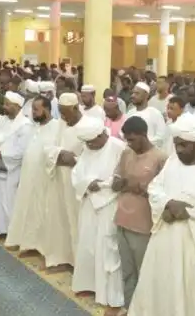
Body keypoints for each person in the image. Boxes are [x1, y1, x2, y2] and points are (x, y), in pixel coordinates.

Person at [129, 114, 195, 316]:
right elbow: (155, 188)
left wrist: (188, 212)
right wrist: (168, 204)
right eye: (176, 144)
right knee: (158, 284)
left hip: (194, 243)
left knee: (192, 293)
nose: (179, 149)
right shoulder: (173, 161)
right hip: (164, 238)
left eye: (184, 145)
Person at [70, 117, 127, 314]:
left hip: (110, 204)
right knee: (87, 244)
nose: (90, 146)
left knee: (108, 249)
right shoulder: (88, 148)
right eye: (87, 143)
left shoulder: (118, 147)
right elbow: (77, 173)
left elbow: (120, 179)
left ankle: (111, 296)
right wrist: (88, 184)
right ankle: (89, 284)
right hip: (88, 202)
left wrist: (100, 185)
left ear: (102, 134)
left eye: (92, 142)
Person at [113, 116, 167, 311]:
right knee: (127, 272)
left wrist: (138, 187)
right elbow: (117, 180)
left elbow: (162, 193)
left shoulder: (160, 158)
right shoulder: (127, 153)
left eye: (132, 139)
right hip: (122, 220)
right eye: (127, 140)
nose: (129, 143)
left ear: (144, 135)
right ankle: (129, 308)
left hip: (143, 225)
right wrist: (123, 184)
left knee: (144, 272)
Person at [5, 96, 61, 253]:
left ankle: (37, 247)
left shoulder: (57, 127)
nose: (33, 112)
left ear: (47, 109)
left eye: (36, 109)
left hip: (44, 180)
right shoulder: (32, 127)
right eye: (32, 109)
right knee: (25, 209)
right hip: (28, 177)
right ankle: (23, 241)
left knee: (40, 213)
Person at [40, 92, 85, 270]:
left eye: (66, 112)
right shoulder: (61, 124)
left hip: (77, 184)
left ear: (76, 108)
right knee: (59, 219)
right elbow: (47, 148)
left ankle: (78, 263)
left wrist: (75, 160)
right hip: (59, 179)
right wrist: (59, 153)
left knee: (76, 221)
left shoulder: (87, 126)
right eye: (61, 112)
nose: (64, 116)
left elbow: (93, 156)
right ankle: (61, 258)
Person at [0, 91, 33, 236]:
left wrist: (2, 154)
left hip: (13, 169)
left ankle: (12, 232)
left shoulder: (25, 125)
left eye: (8, 104)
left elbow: (22, 150)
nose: (5, 107)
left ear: (18, 106)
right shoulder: (4, 121)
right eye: (4, 104)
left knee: (9, 199)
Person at [126, 82, 167, 148]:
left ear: (146, 95)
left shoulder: (155, 113)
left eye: (137, 93)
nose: (133, 96)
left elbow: (161, 137)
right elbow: (123, 133)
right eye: (132, 93)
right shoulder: (130, 113)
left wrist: (142, 143)